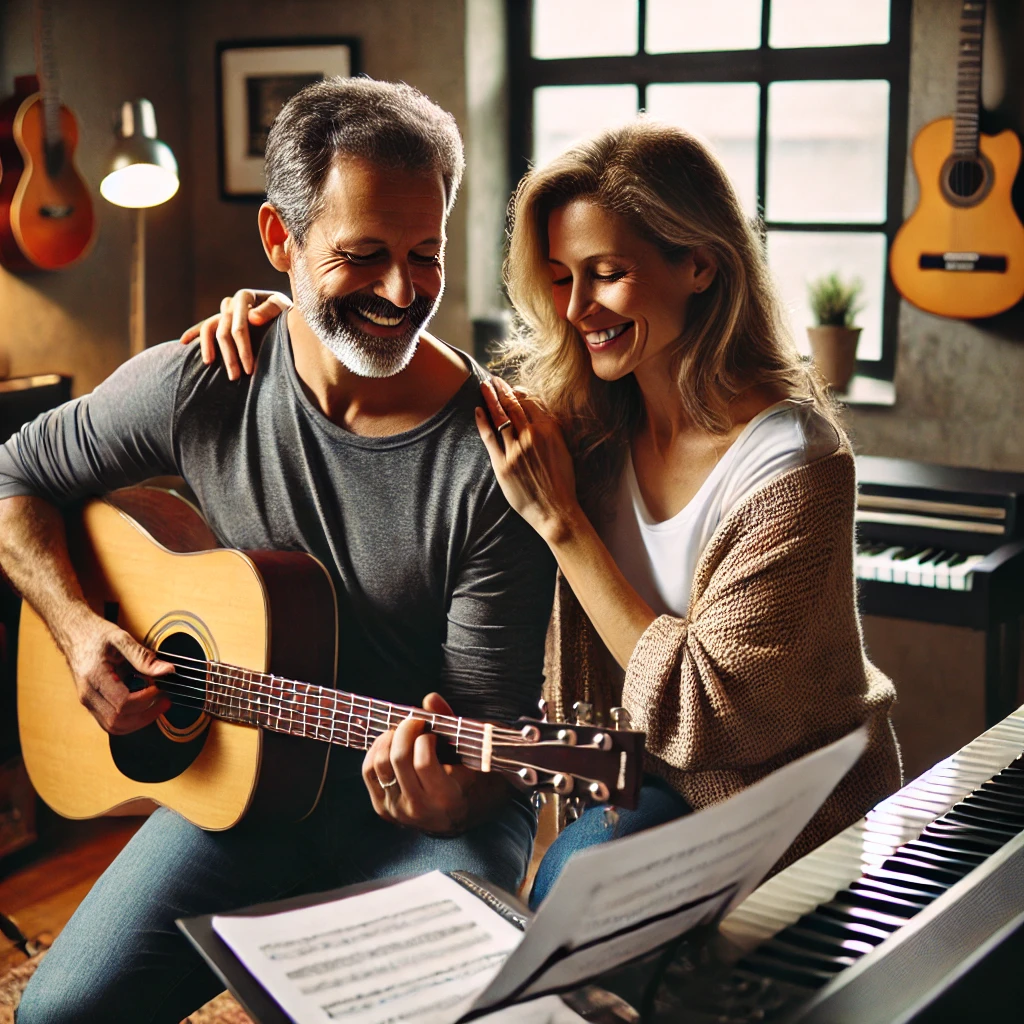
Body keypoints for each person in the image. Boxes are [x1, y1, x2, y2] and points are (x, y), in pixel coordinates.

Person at [196, 118, 902, 911]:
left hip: (781, 808)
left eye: (606, 273)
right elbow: (424, 384)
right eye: (561, 276)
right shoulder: (578, 425)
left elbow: (709, 723)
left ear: (699, 264)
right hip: (628, 794)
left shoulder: (795, 462)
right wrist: (296, 313)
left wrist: (562, 522)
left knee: (565, 899)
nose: (577, 308)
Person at [0, 77, 554, 1023]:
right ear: (278, 241)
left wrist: (450, 798)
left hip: (423, 814)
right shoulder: (206, 380)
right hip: (246, 786)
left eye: (427, 255)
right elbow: (14, 475)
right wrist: (76, 625)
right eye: (362, 255)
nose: (401, 290)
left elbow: (486, 751)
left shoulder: (497, 461)